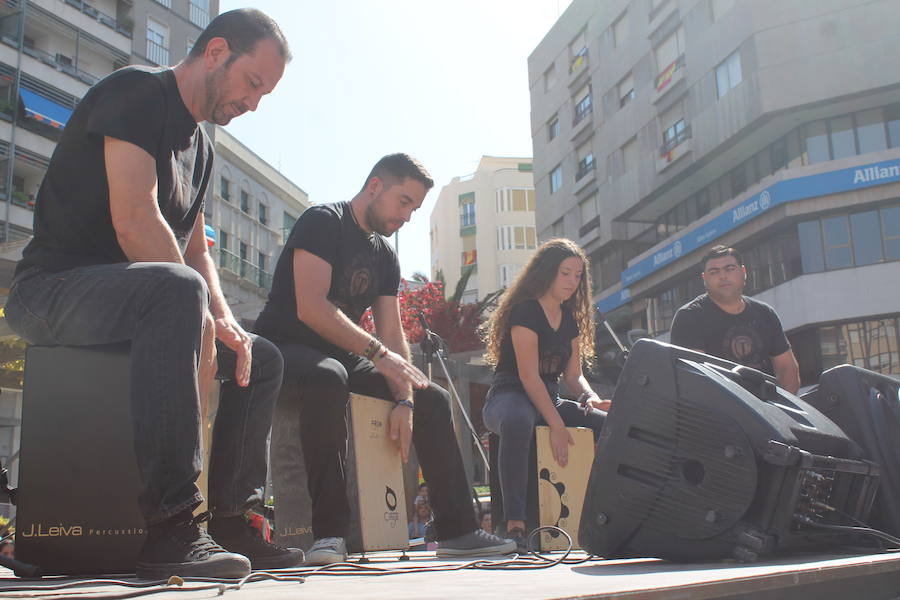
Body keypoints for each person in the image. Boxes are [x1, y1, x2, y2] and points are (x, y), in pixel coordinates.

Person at [3, 9, 301, 579]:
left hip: (142, 300)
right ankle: (171, 527)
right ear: (215, 52)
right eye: (252, 83)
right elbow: (135, 221)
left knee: (259, 358)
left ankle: (234, 520)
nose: (254, 103)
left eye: (265, 94)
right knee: (176, 294)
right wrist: (200, 318)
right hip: (50, 292)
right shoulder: (137, 91)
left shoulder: (203, 150)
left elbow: (197, 253)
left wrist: (223, 322)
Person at [254, 153, 516, 564]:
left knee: (434, 398)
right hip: (282, 347)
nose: (408, 216)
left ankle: (458, 530)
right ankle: (329, 535)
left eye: (415, 207)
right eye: (404, 201)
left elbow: (392, 335)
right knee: (329, 377)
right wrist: (379, 355)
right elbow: (311, 307)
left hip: (342, 354)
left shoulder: (384, 255)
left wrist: (406, 397)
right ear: (375, 186)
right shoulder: (322, 221)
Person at [481, 238, 608, 550]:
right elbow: (528, 376)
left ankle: (604, 517)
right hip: (509, 395)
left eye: (578, 276)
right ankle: (514, 526)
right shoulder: (526, 311)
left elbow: (574, 375)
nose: (572, 282)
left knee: (607, 423)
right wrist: (557, 425)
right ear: (547, 272)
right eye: (565, 273)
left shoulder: (570, 320)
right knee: (519, 419)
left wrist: (589, 398)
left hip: (548, 398)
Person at [670, 245, 800, 394]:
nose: (723, 276)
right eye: (714, 272)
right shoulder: (689, 316)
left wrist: (784, 413)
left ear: (743, 272)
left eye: (729, 269)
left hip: (767, 410)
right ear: (704, 278)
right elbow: (694, 377)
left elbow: (787, 367)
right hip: (718, 411)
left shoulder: (765, 313)